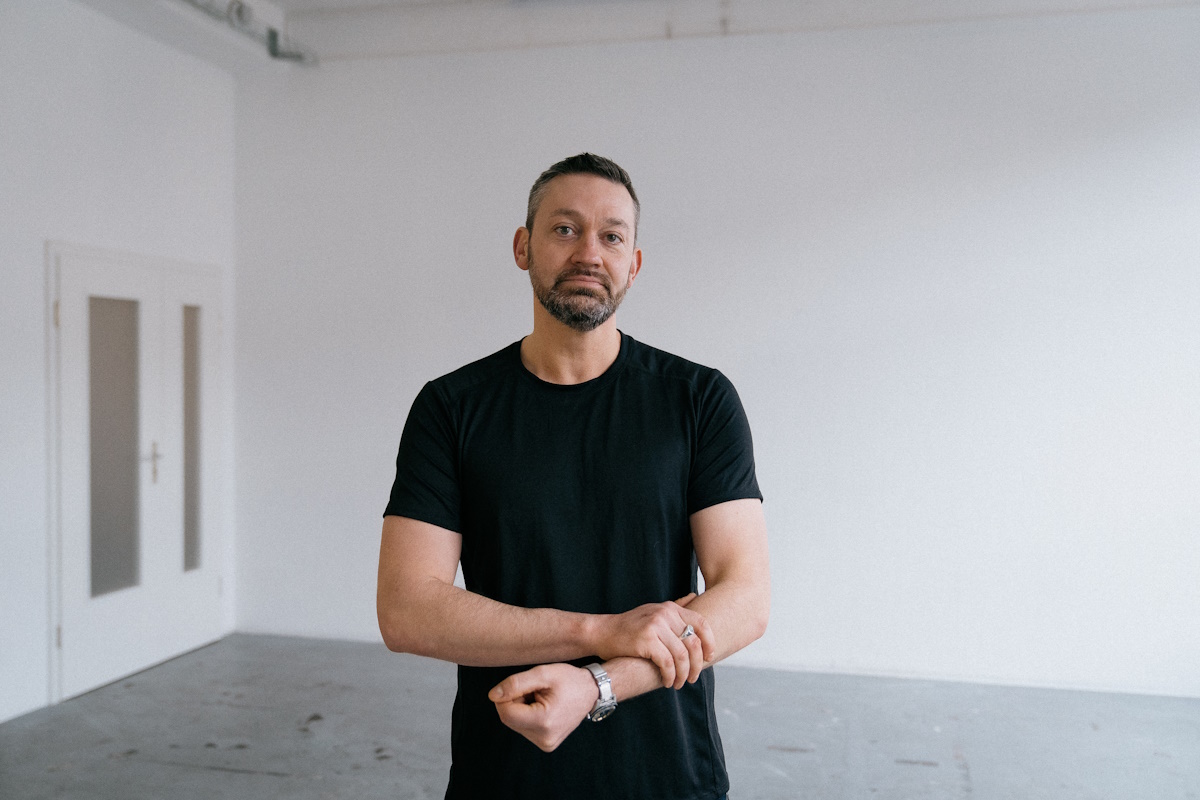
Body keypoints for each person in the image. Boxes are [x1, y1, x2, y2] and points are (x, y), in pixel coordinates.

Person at [378, 153, 770, 800]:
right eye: (565, 229)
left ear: (633, 264)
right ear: (522, 247)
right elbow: (405, 610)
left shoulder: (698, 400)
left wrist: (597, 684)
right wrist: (598, 631)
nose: (589, 252)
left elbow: (745, 600)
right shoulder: (451, 408)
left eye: (612, 236)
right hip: (503, 777)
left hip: (669, 776)